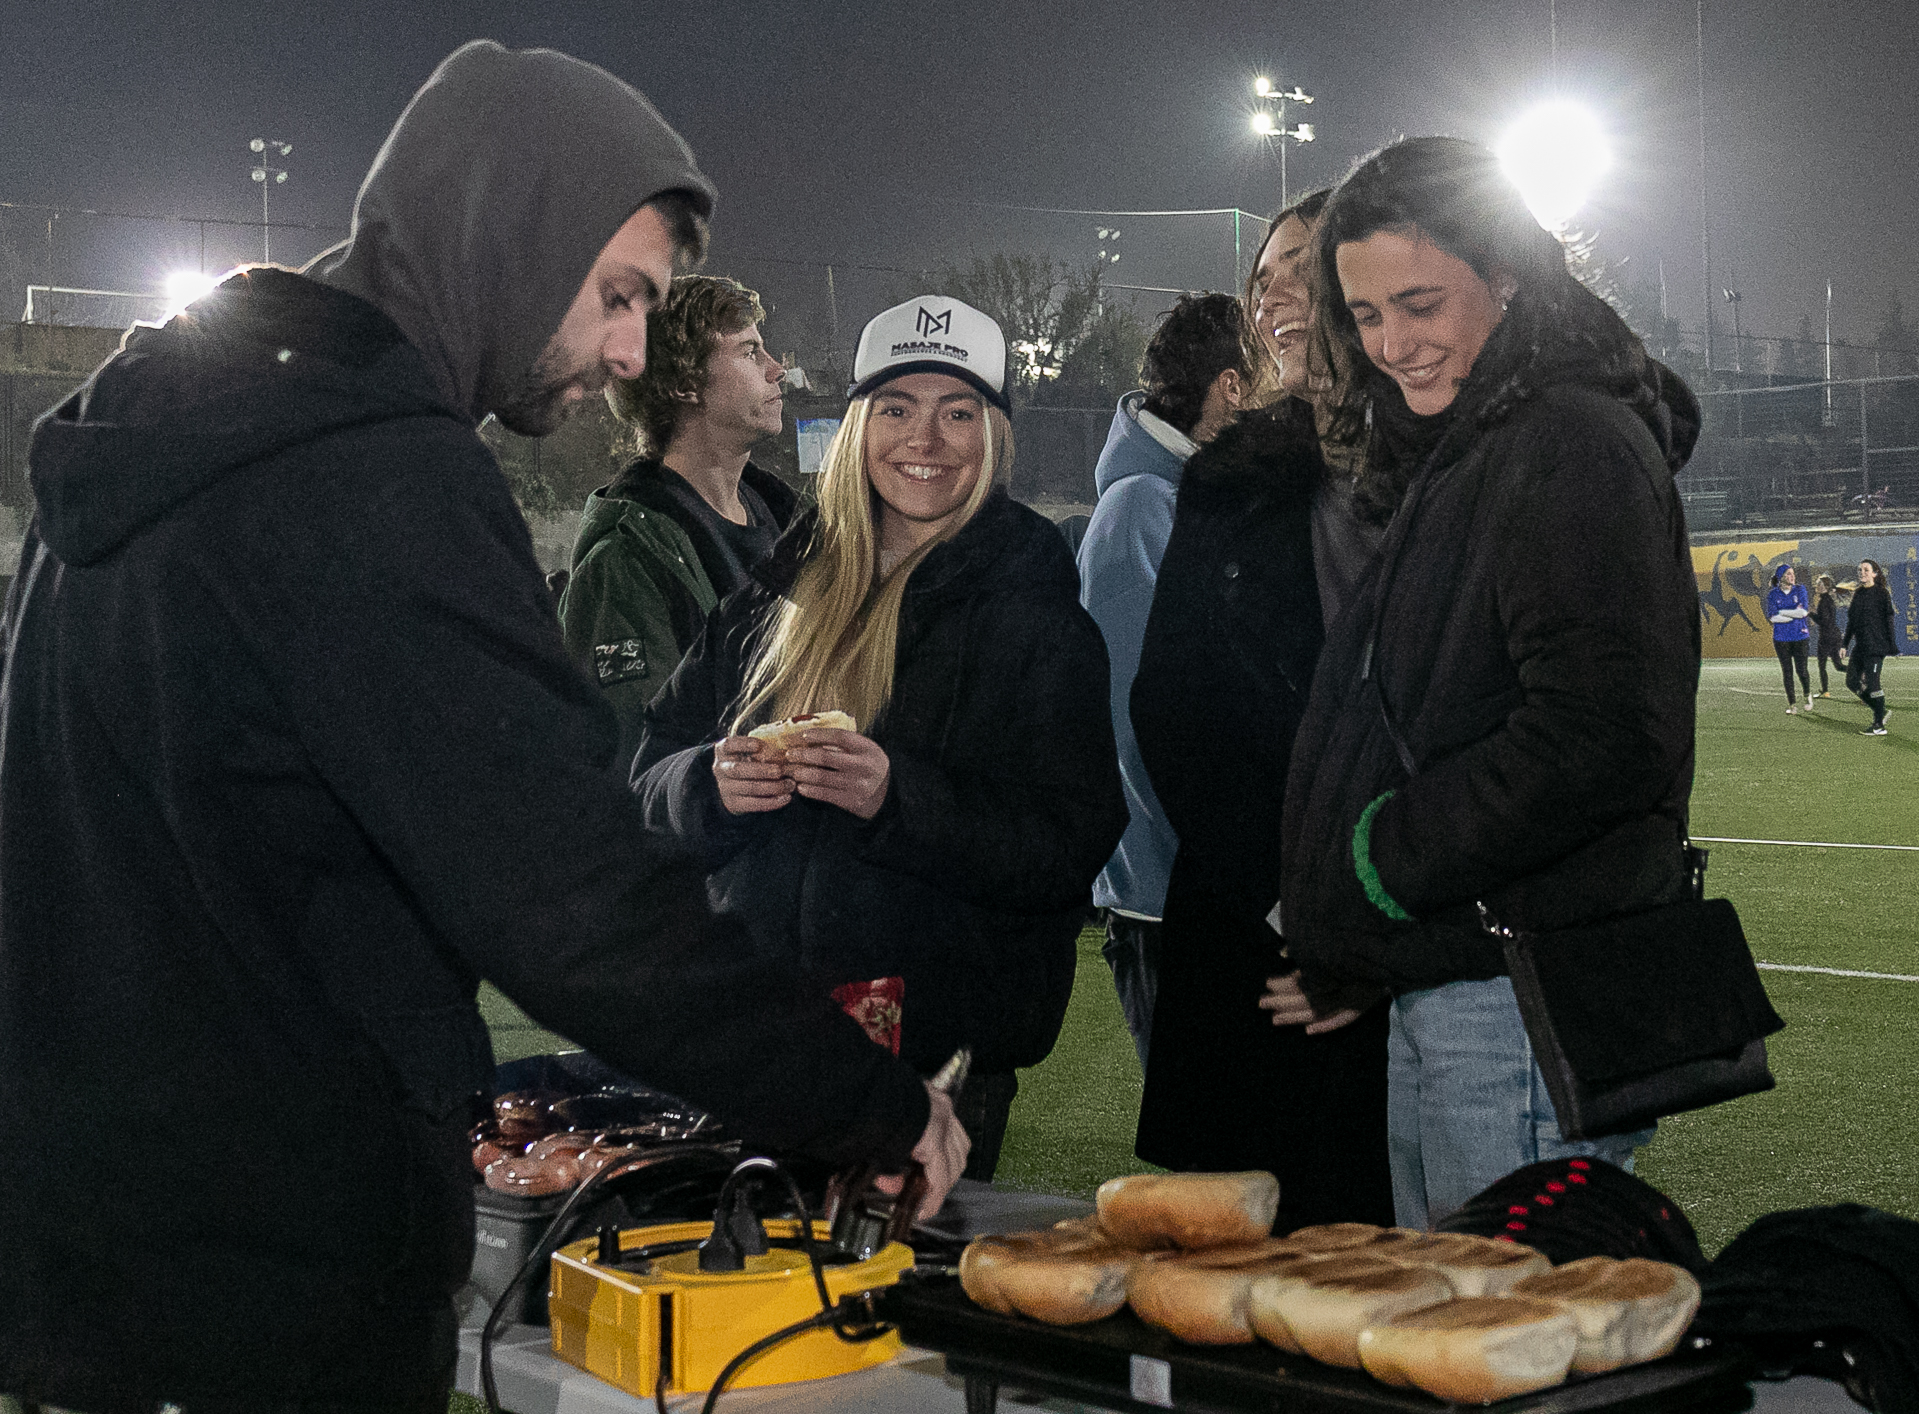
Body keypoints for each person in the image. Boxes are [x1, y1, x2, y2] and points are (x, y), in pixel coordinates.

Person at [0, 43, 965, 1412]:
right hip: (266, 1273)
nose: (631, 353)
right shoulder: (369, 476)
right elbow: (573, 896)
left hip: (97, 1251)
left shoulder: (167, 435)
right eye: (619, 295)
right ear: (504, 238)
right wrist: (863, 1100)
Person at [1274, 137, 1703, 1229]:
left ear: (1507, 275)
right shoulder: (1480, 442)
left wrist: (1381, 856)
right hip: (1464, 977)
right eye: (1366, 316)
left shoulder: (1566, 442)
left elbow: (1605, 731)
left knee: (1507, 1321)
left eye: (1419, 304)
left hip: (1520, 996)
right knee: (1450, 1312)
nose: (1393, 345)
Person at [632, 295, 1126, 1183]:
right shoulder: (772, 594)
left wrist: (898, 799)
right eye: (896, 408)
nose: (924, 440)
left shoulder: (1036, 619)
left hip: (929, 1060)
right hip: (759, 1031)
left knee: (885, 1273)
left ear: (994, 434)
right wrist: (705, 784)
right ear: (858, 425)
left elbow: (1067, 845)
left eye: (958, 412)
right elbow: (642, 777)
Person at [1128, 190, 1397, 1232]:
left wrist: (1383, 921)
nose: (1273, 293)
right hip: (1260, 953)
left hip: (1411, 955)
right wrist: (1299, 910)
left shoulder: (1447, 478)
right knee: (1255, 1274)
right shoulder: (1228, 481)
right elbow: (1174, 713)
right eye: (1262, 276)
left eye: (1302, 264)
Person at [1076, 292, 1255, 1068]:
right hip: (1176, 905)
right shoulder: (1140, 507)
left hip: (1212, 893)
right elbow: (1135, 724)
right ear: (1232, 387)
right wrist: (1222, 874)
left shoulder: (1198, 498)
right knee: (1214, 1137)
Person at [561, 274, 800, 765]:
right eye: (749, 352)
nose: (777, 369)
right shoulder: (624, 561)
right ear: (684, 384)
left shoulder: (788, 520)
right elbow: (637, 764)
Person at [1844, 558, 1900, 733]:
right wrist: (1844, 644)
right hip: (1860, 647)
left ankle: (1878, 725)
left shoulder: (1882, 593)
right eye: (1860, 570)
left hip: (1876, 647)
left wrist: (1892, 645)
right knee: (1851, 682)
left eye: (1866, 570)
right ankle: (1880, 711)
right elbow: (1851, 622)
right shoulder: (1858, 594)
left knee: (1873, 685)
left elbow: (1889, 620)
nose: (1862, 573)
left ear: (1875, 574)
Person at [1764, 563, 1814, 713]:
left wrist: (1782, 612)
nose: (1792, 576)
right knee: (1787, 672)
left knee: (1802, 670)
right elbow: (1773, 618)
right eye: (1788, 574)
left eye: (1793, 573)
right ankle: (1792, 704)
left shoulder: (1800, 590)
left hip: (1800, 636)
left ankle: (1807, 695)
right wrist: (1792, 613)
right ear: (1781, 577)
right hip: (1781, 639)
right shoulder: (1773, 594)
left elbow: (1803, 613)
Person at [1811, 572, 1845, 697]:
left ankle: (1825, 691)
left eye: (1819, 584)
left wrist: (1811, 613)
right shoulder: (1828, 600)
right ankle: (1860, 673)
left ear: (1825, 587)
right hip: (1834, 636)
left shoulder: (1824, 602)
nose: (1816, 586)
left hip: (1827, 637)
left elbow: (1823, 621)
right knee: (1838, 666)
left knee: (1822, 665)